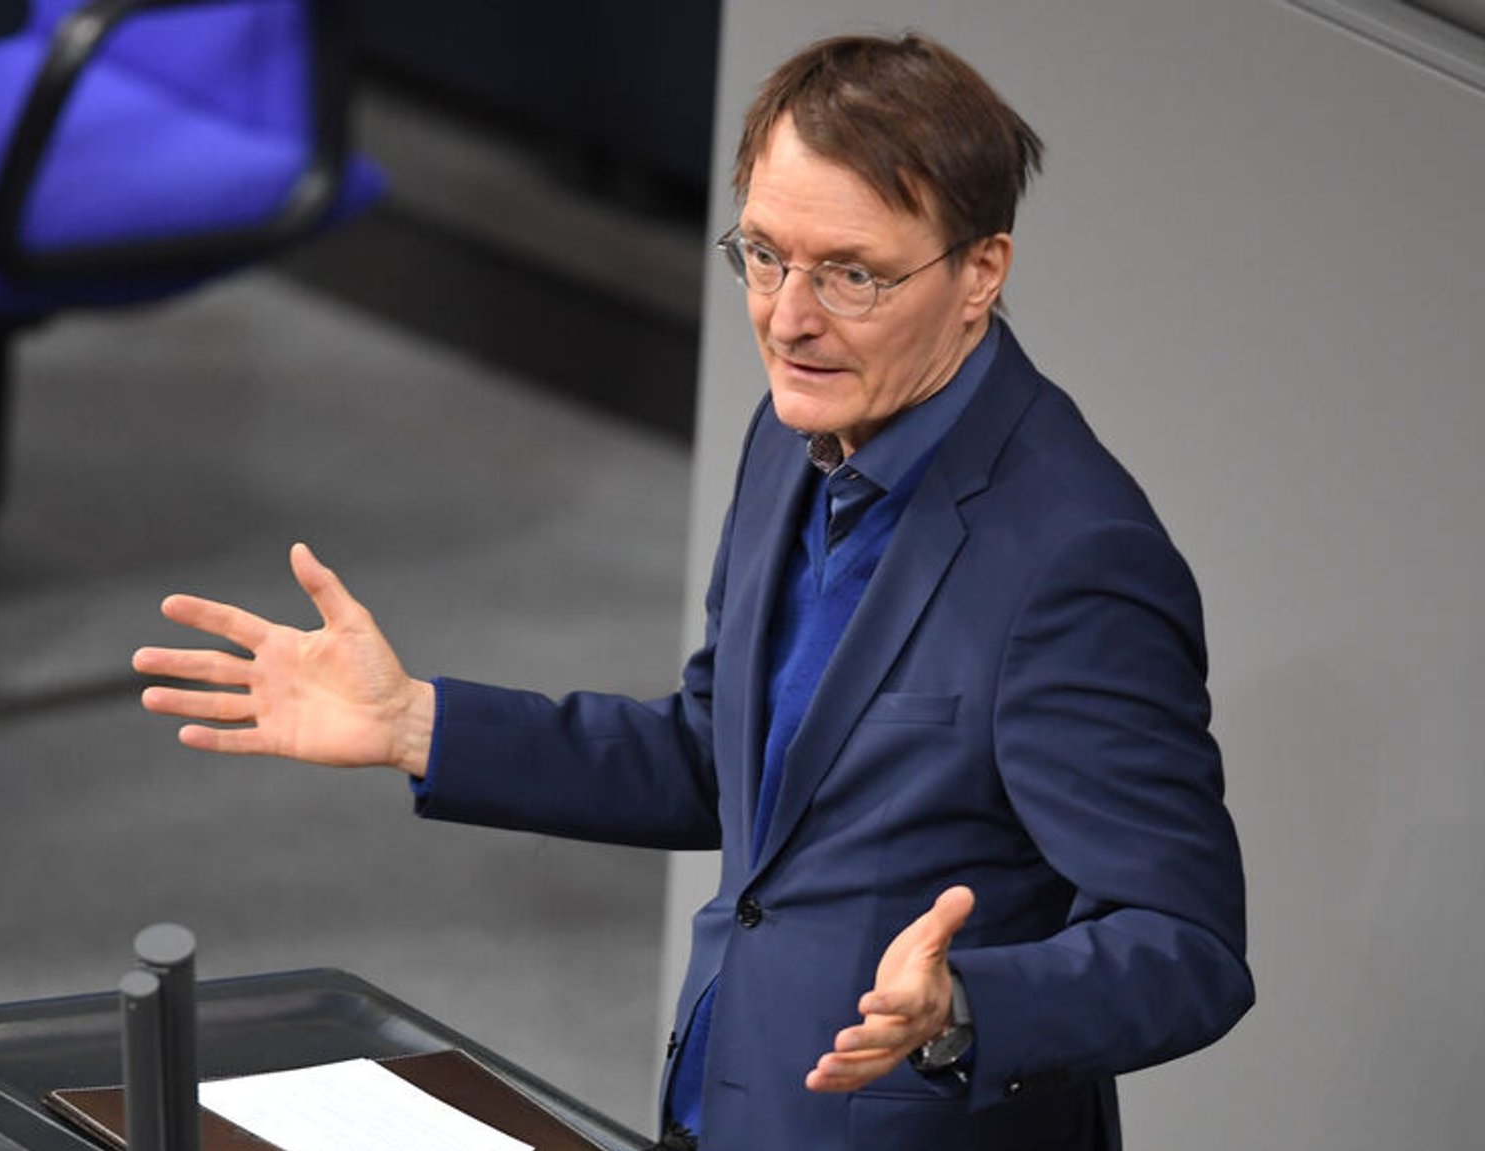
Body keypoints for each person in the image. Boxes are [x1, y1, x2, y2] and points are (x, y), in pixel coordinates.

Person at [131, 31, 1252, 1151]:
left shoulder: (1074, 560)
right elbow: (719, 759)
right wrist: (416, 723)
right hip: (722, 1096)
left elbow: (1186, 945)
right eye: (763, 255)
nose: (788, 316)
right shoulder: (794, 430)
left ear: (979, 272)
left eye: (850, 273)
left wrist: (964, 1005)